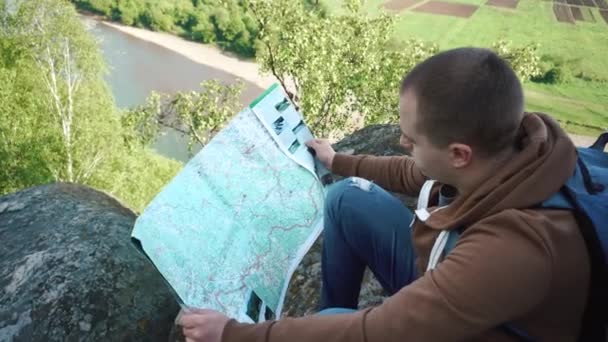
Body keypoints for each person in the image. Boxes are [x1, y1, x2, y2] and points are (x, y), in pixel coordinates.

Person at [178, 47, 591, 341]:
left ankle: (326, 320)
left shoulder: (517, 249)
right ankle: (323, 317)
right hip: (456, 284)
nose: (400, 141)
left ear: (459, 154)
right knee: (346, 199)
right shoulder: (509, 149)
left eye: (411, 138)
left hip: (482, 323)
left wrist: (234, 333)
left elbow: (375, 330)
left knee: (345, 321)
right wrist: (339, 161)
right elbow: (417, 174)